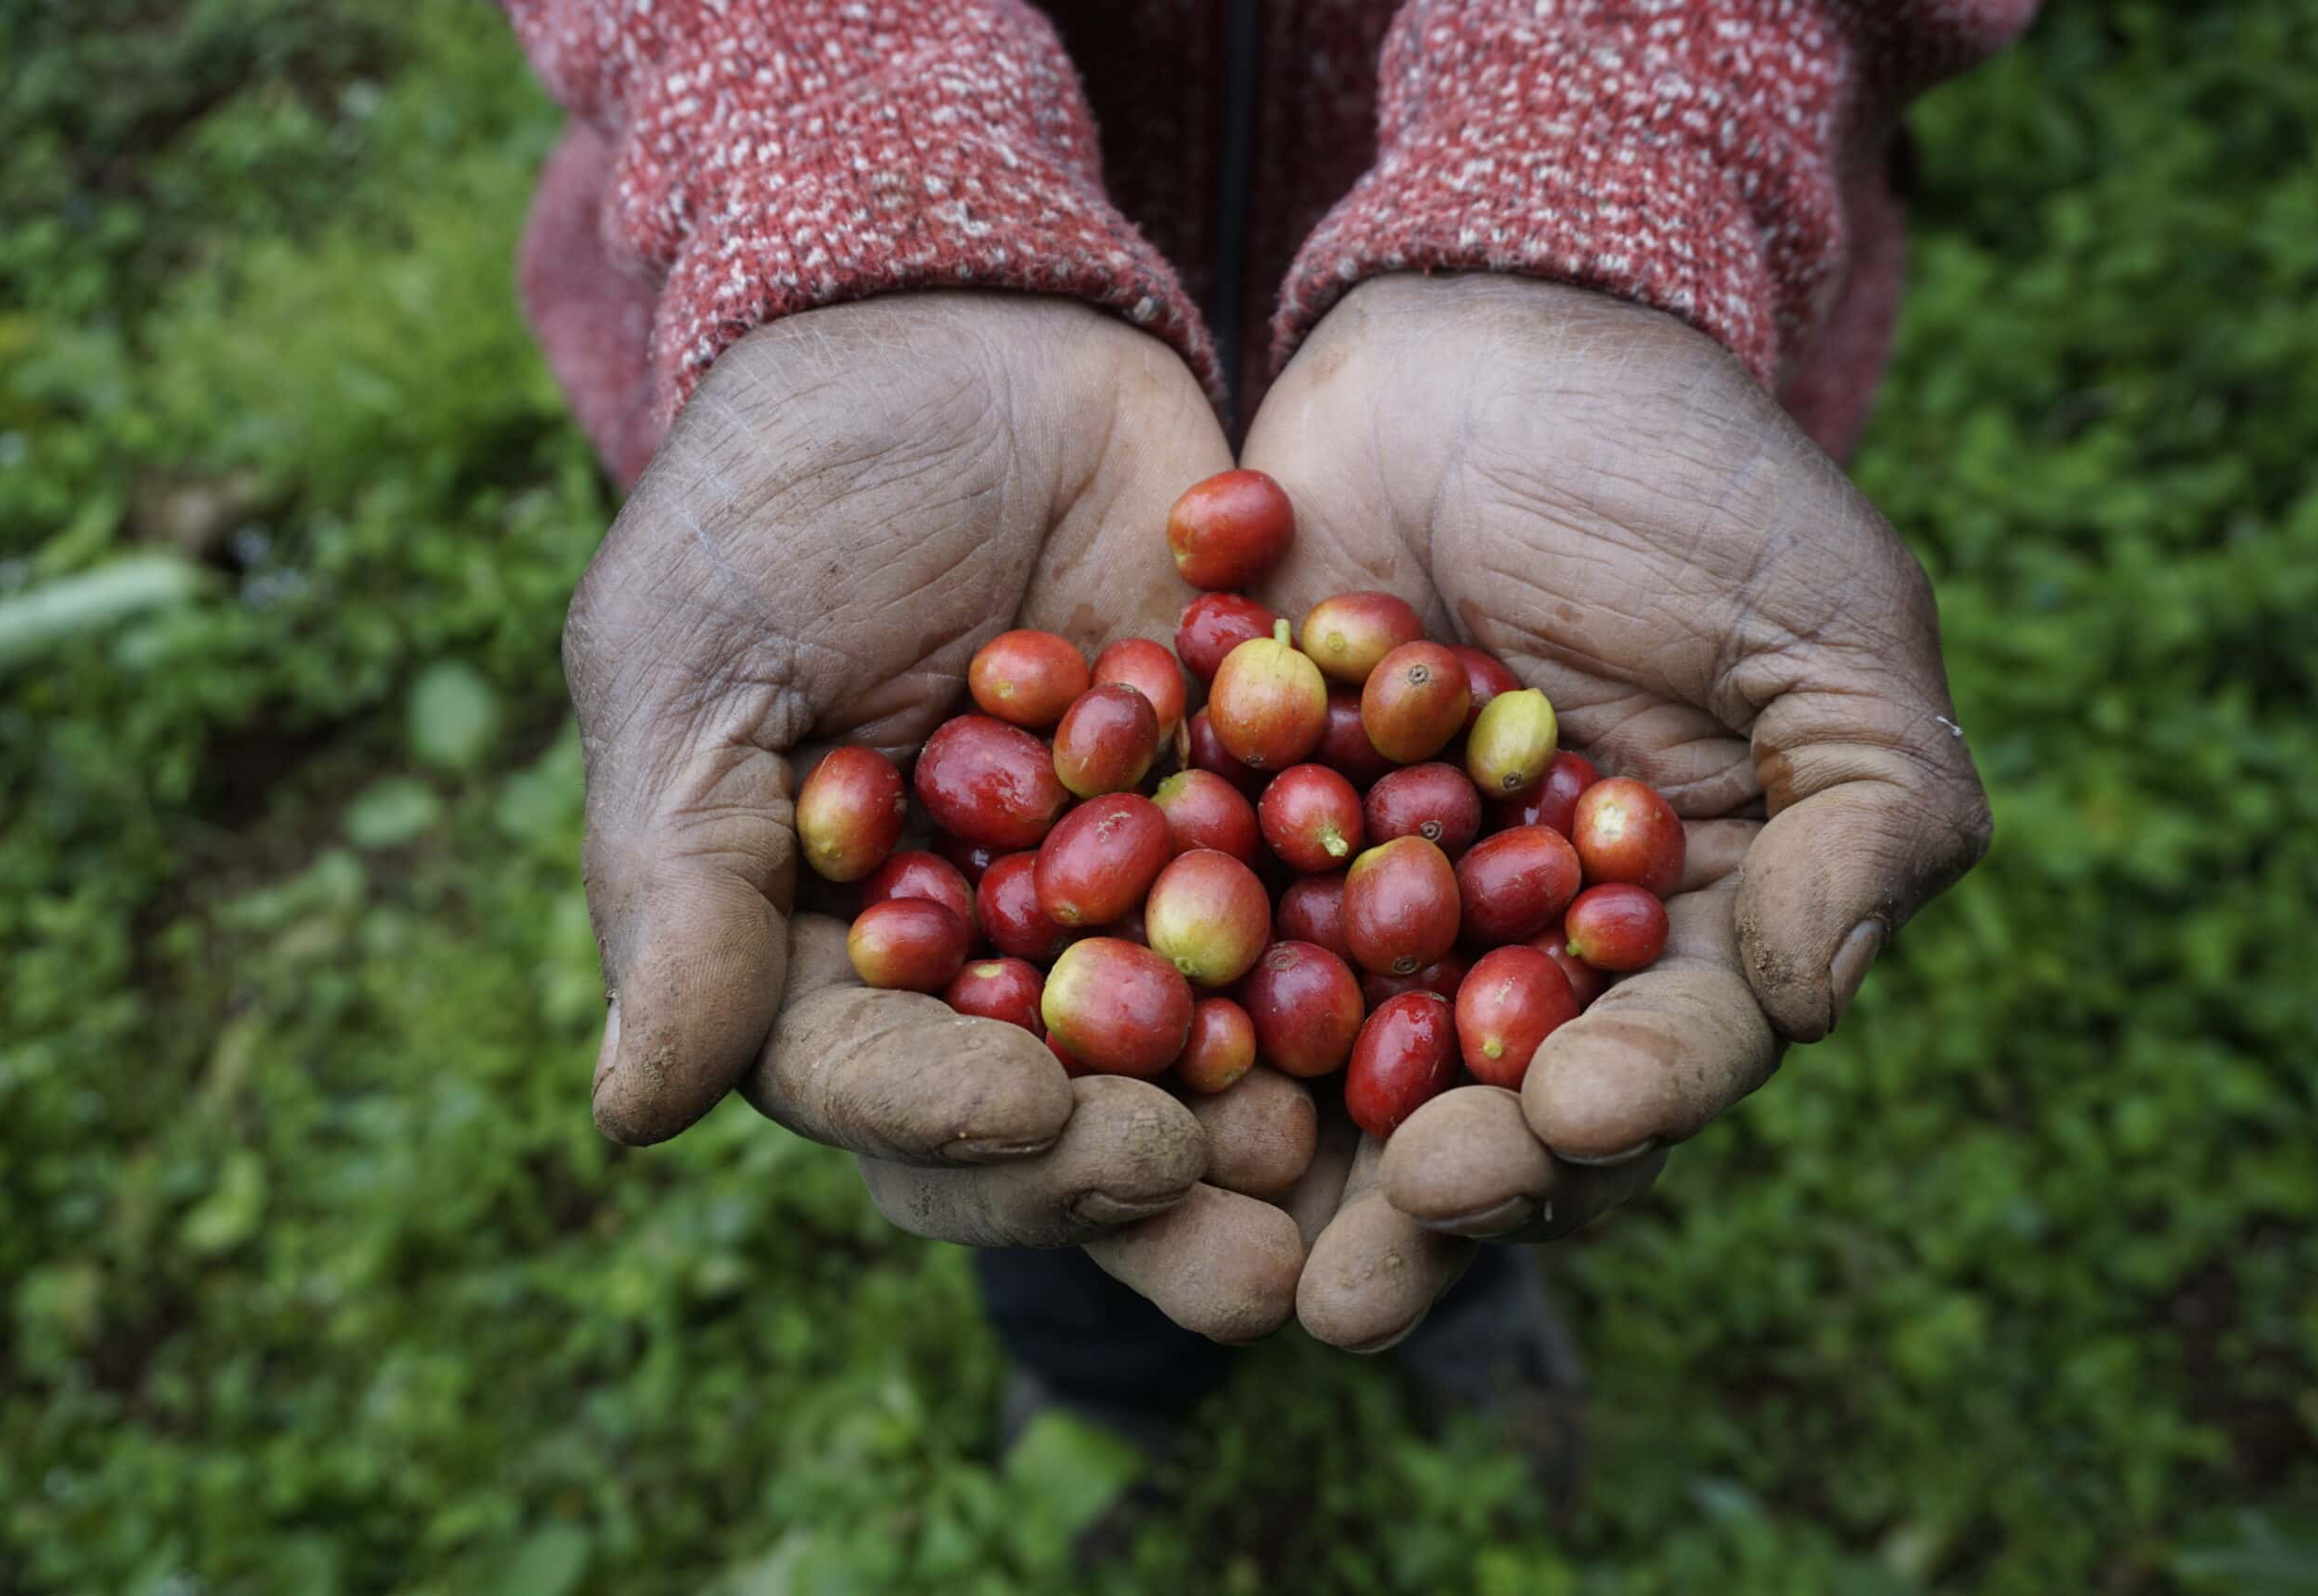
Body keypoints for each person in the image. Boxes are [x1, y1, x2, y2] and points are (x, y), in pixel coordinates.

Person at [500, 0, 2023, 1446]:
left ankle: (1461, 1294)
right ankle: (1100, 1376)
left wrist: (1595, 179)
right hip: (842, 357)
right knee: (1041, 1131)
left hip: (1595, 393)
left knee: (1475, 1127)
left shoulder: (1348, 804)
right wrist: (864, 210)